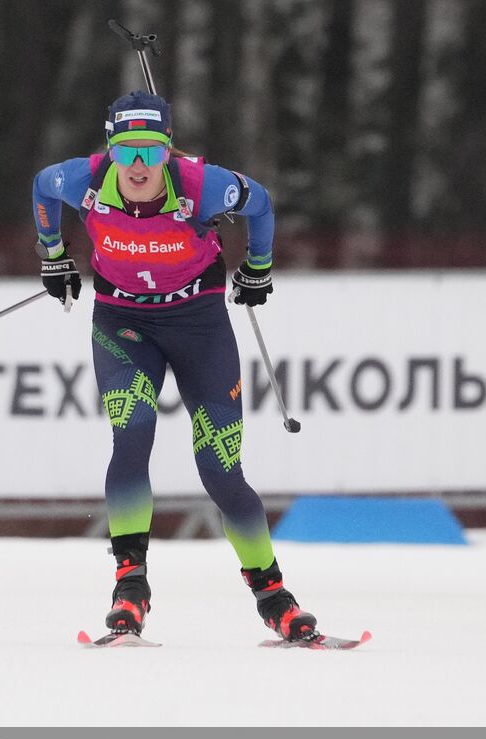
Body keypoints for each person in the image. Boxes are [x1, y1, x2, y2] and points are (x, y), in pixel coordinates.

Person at [31, 90, 319, 643]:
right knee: (131, 437)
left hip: (200, 323)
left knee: (221, 469)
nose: (138, 166)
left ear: (168, 151)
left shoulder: (203, 185)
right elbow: (43, 186)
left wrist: (257, 267)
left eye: (151, 152)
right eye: (127, 152)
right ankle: (129, 587)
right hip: (123, 324)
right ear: (111, 150)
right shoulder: (84, 181)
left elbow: (260, 205)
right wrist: (52, 254)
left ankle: (274, 596)